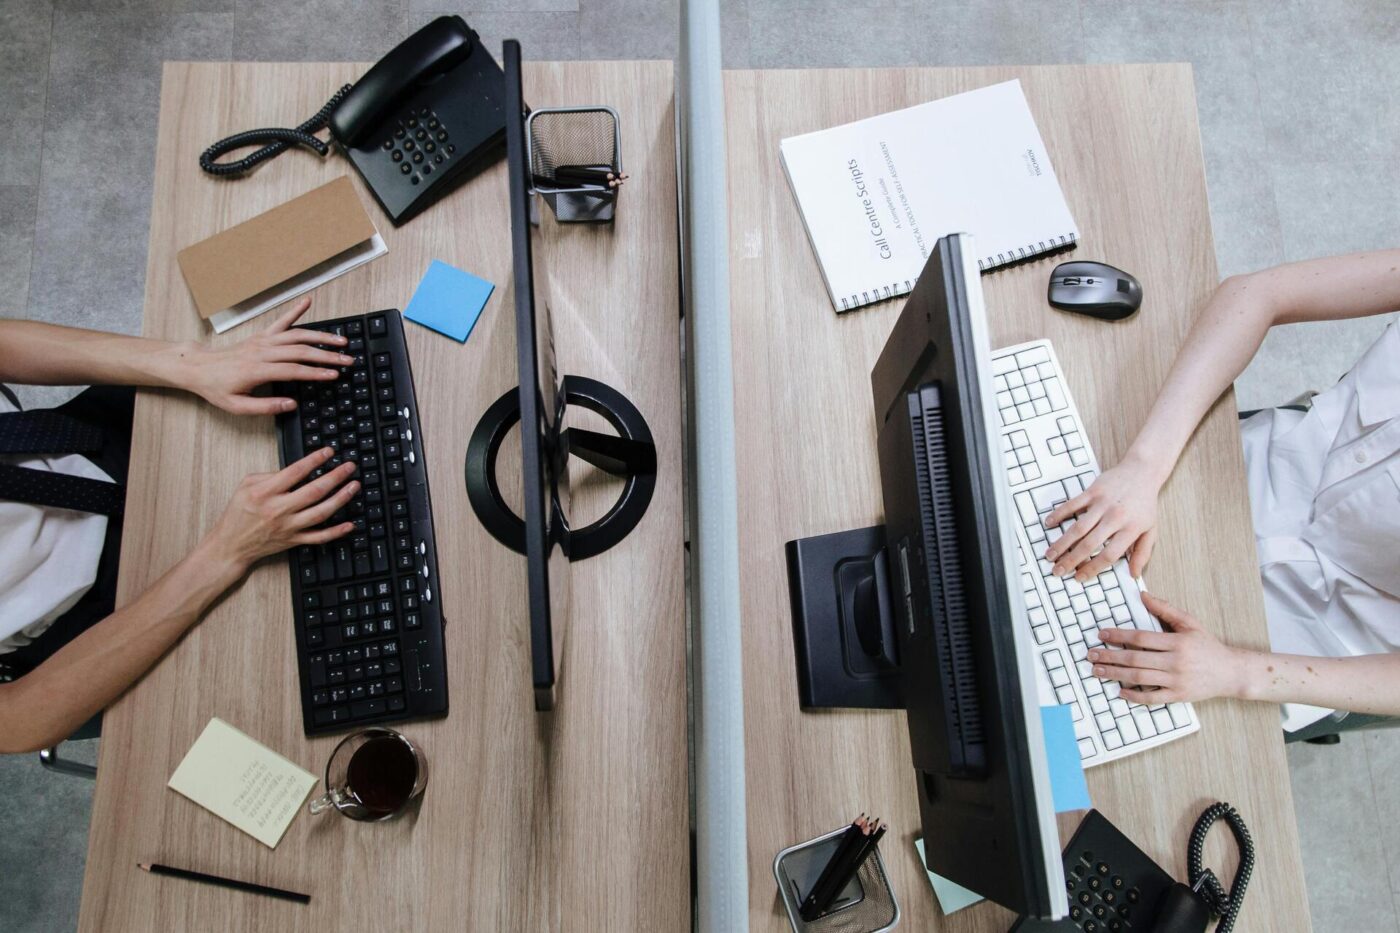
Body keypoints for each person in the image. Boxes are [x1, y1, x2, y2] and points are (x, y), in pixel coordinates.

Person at [1040, 249, 1400, 731]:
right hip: (1222, 468)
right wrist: (1146, 466)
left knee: (1069, 710)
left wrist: (1236, 671)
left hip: (1287, 645)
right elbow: (1259, 293)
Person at [0, 298, 357, 753]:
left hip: (78, 442)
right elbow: (16, 721)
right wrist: (224, 554)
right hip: (101, 616)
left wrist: (189, 364)